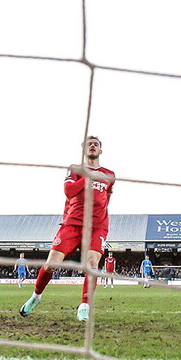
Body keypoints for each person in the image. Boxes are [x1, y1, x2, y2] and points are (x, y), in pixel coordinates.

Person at [19, 136, 116, 322]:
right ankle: (35, 297)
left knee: (92, 263)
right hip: (72, 223)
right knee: (51, 264)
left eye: (96, 144)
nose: (93, 146)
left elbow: (106, 198)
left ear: (100, 150)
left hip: (97, 226)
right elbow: (69, 191)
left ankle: (84, 306)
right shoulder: (75, 169)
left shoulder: (109, 175)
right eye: (89, 144)